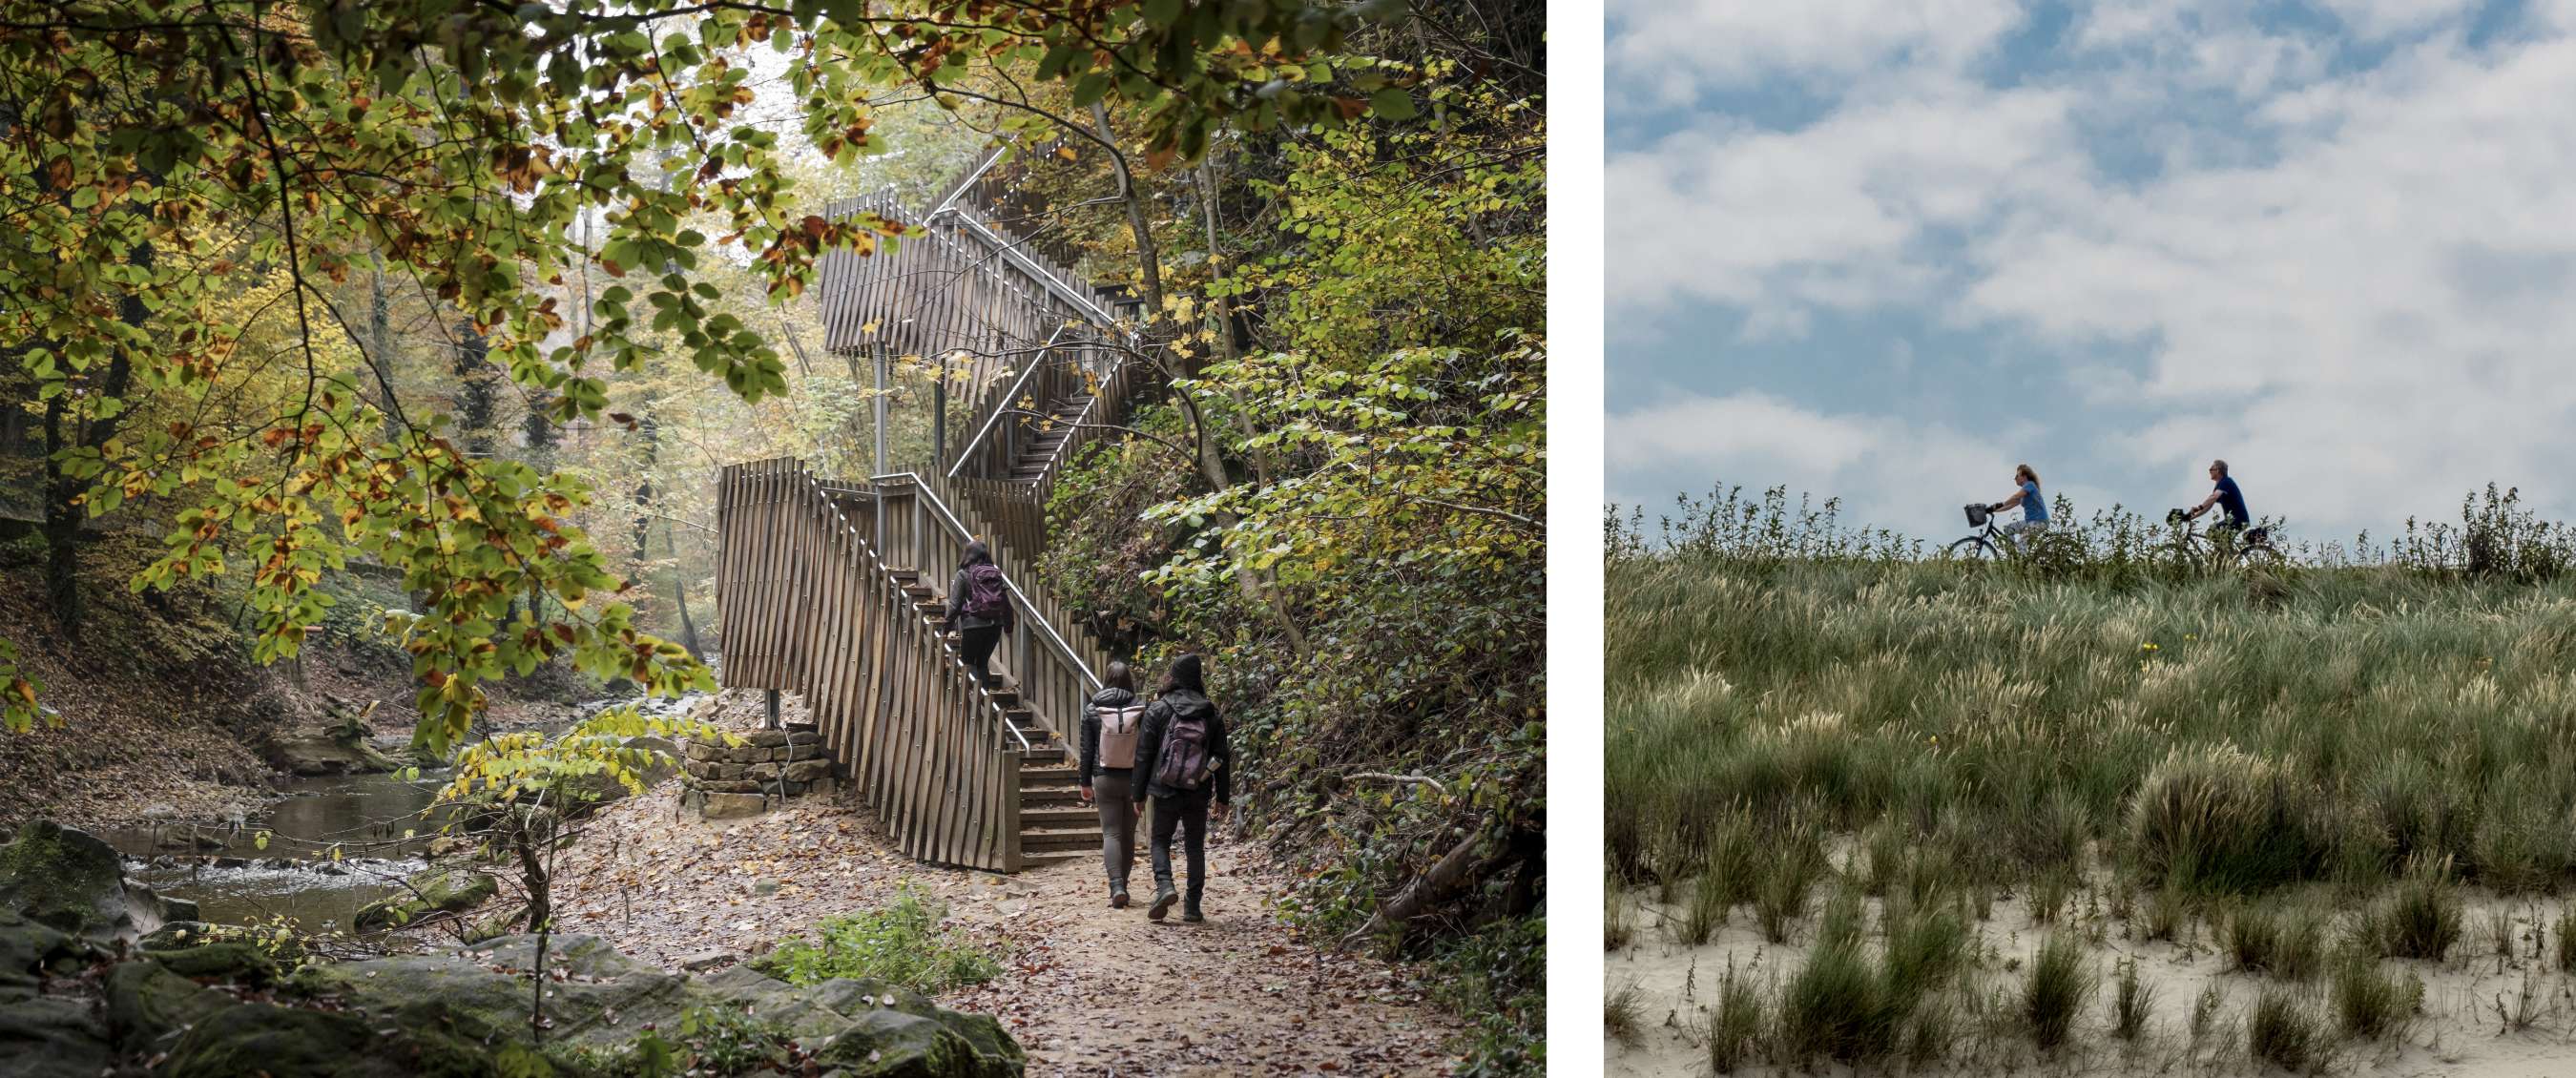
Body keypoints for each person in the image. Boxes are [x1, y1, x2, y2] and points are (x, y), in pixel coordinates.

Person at [1131, 653, 1231, 923]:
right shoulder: (1210, 713)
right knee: (1194, 846)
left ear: (1173, 677)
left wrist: (1138, 795)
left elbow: (1144, 755)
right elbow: (1221, 757)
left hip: (1165, 788)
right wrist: (1223, 797)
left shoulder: (1158, 709)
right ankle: (1193, 906)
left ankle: (1165, 886)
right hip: (1198, 790)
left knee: (1160, 840)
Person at [1079, 662, 1148, 908]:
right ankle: (1124, 886)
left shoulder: (1092, 708)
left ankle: (1116, 885)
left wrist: (1084, 782)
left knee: (1111, 832)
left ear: (1106, 679)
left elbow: (1087, 749)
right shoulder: (1141, 708)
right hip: (1133, 779)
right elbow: (1147, 748)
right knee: (1128, 834)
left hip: (1104, 777)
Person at [945, 540, 1015, 688]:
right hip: (995, 626)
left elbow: (954, 605)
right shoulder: (995, 574)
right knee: (982, 663)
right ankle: (985, 703)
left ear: (967, 555)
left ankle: (974, 703)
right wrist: (1009, 626)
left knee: (968, 662)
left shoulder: (963, 574)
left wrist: (945, 629)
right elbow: (1005, 603)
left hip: (973, 626)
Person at [2186, 459, 2250, 542]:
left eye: (2212, 468)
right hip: (2234, 520)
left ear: (2218, 470)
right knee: (2217, 538)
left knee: (2212, 532)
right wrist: (2192, 517)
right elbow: (2208, 506)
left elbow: (2213, 497)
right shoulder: (2220, 485)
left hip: (2237, 520)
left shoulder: (2226, 482)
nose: (2209, 470)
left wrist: (2199, 507)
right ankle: (2227, 554)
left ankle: (2227, 553)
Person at [1988, 464, 2048, 551]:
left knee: (2021, 544)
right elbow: (2010, 505)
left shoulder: (2030, 485)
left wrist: (2001, 504)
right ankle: (2013, 555)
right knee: (2008, 528)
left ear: (2024, 477)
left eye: (2017, 475)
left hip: (2040, 521)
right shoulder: (2025, 491)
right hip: (2030, 522)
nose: (2015, 478)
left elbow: (2015, 497)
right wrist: (1993, 510)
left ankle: (2022, 564)